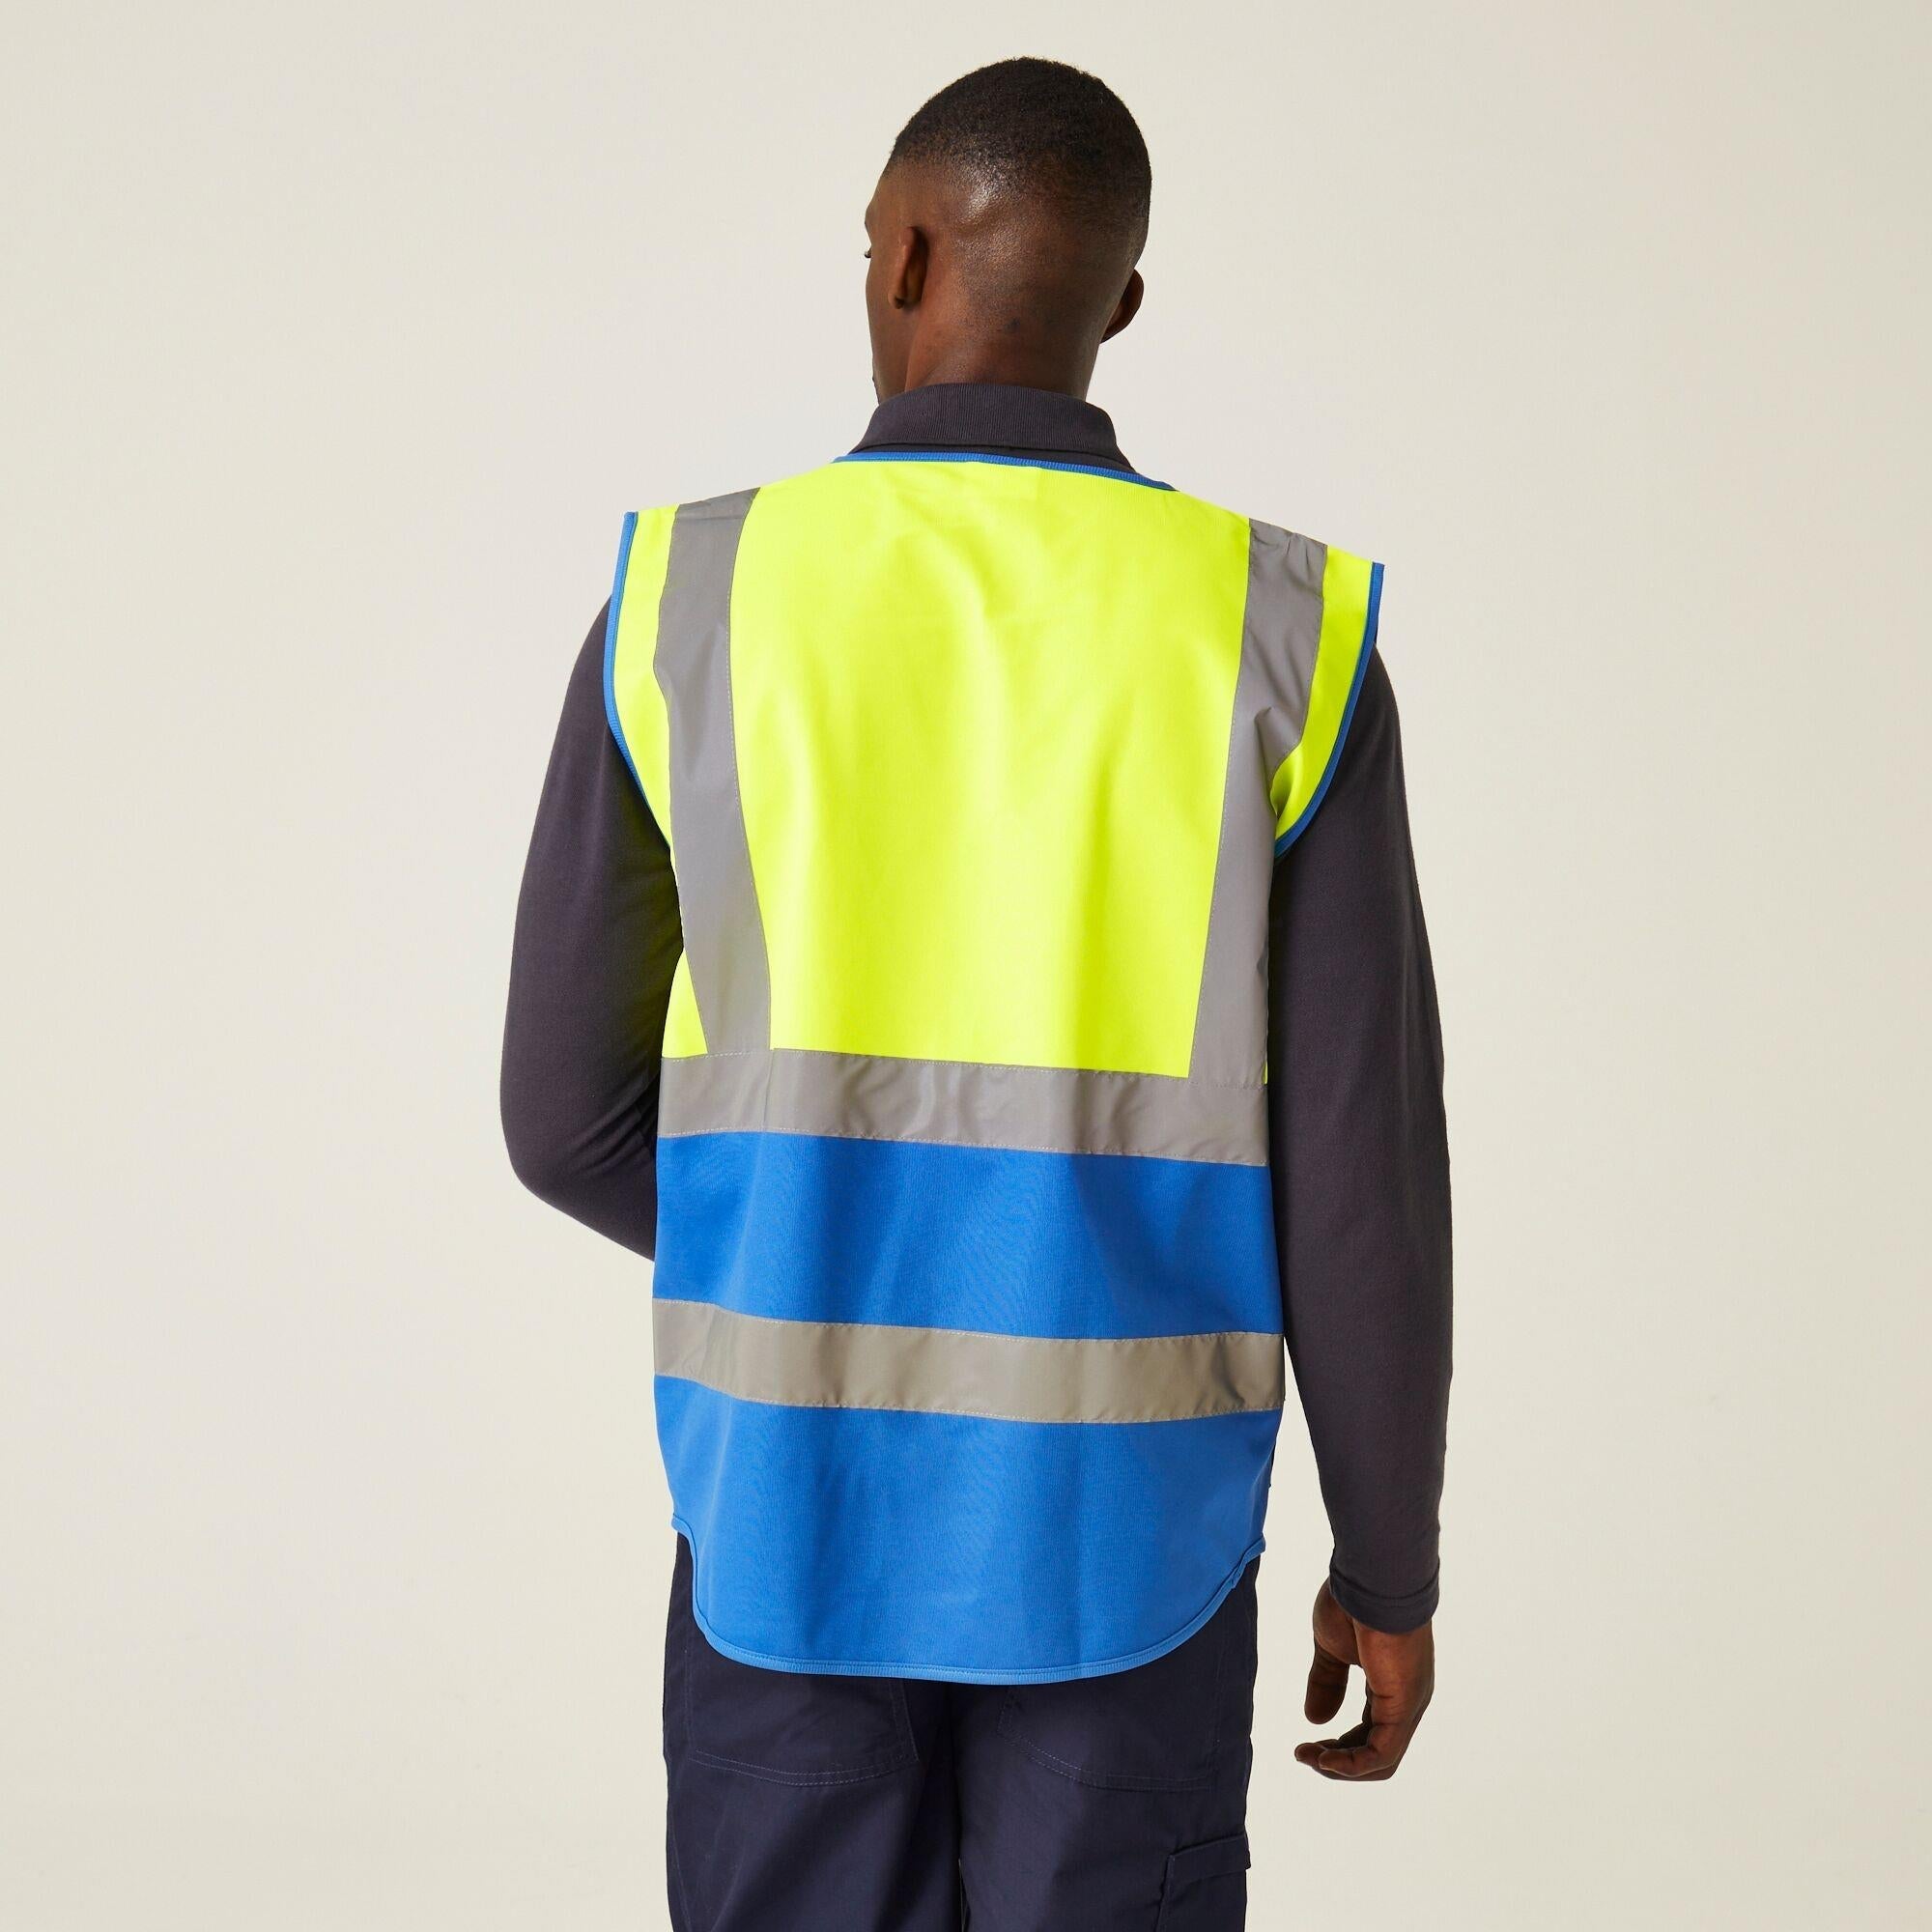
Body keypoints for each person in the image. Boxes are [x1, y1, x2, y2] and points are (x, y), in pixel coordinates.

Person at [501, 55, 1451, 1932]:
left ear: (905, 256)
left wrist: (828, 1249)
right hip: (1132, 1536)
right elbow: (1362, 1178)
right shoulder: (1279, 627)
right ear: (1121, 300)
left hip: (786, 1510)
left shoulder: (691, 599)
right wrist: (1389, 1565)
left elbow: (563, 1122)